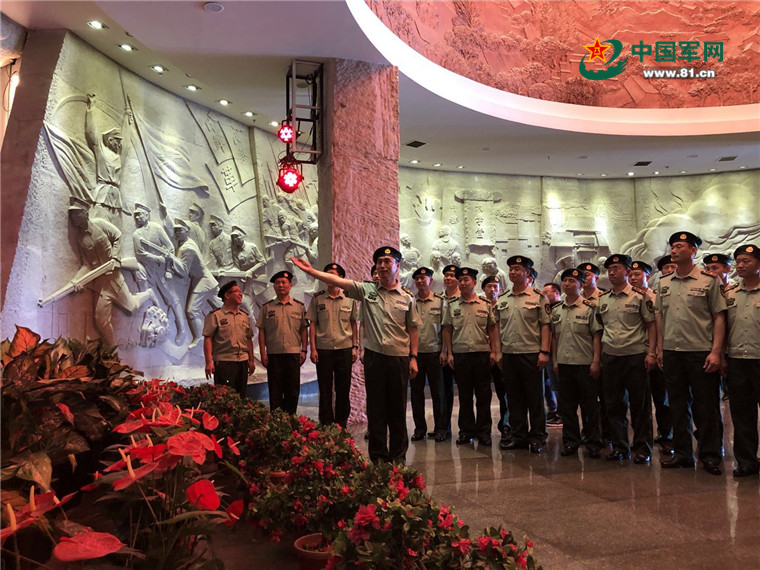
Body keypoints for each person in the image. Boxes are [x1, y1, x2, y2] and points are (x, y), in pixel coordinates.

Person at [291, 247, 420, 464]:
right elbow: (339, 281)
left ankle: (398, 458)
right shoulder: (367, 290)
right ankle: (378, 458)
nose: (382, 265)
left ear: (397, 266)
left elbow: (413, 328)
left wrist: (413, 357)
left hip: (398, 358)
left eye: (387, 261)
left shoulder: (407, 297)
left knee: (397, 409)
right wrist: (311, 272)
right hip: (375, 358)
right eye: (379, 262)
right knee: (376, 409)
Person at [656, 232, 726, 475]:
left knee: (706, 406)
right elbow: (660, 317)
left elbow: (719, 316)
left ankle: (710, 455)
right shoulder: (664, 282)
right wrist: (660, 349)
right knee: (676, 405)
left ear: (693, 251)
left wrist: (716, 352)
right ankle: (682, 453)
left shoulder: (709, 280)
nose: (674, 251)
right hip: (672, 352)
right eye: (672, 246)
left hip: (700, 351)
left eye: (679, 246)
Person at [68, 201, 156, 346]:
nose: (72, 218)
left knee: (132, 307)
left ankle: (148, 294)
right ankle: (113, 352)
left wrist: (115, 257)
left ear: (85, 213)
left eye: (75, 214)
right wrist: (77, 281)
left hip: (114, 278)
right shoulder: (80, 239)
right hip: (100, 285)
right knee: (101, 321)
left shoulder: (99, 224)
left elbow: (117, 235)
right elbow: (87, 265)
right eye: (71, 215)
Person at [596, 254, 656, 464]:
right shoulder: (603, 299)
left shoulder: (639, 297)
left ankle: (642, 447)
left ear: (628, 272)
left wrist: (651, 352)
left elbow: (651, 325)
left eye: (617, 269)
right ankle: (620, 446)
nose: (612, 273)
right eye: (610, 269)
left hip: (635, 356)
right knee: (613, 405)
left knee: (640, 405)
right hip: (611, 356)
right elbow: (601, 329)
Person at [497, 256, 552, 454]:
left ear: (527, 273)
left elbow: (546, 326)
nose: (512, 272)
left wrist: (544, 351)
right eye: (511, 269)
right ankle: (519, 436)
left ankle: (537, 436)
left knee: (534, 398)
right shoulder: (503, 298)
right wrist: (498, 352)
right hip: (509, 354)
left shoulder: (539, 297)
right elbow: (497, 327)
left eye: (517, 269)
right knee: (514, 398)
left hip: (531, 354)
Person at [441, 267, 499, 446]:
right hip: (461, 355)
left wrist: (494, 351)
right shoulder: (452, 305)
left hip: (482, 354)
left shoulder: (485, 304)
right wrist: (449, 353)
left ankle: (484, 432)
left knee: (484, 395)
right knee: (464, 396)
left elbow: (492, 328)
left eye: (466, 280)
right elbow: (447, 329)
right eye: (460, 280)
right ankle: (466, 431)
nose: (463, 283)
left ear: (474, 282)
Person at [551, 268, 602, 458]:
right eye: (565, 280)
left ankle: (593, 442)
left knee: (590, 406)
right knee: (567, 407)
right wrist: (555, 361)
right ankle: (571, 441)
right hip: (564, 363)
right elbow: (555, 338)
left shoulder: (589, 308)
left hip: (585, 363)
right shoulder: (557, 309)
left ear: (581, 284)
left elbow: (596, 336)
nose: (567, 284)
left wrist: (596, 361)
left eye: (572, 281)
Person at [722, 244, 760, 477]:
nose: (741, 265)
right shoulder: (730, 294)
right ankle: (746, 461)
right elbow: (723, 328)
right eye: (738, 261)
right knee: (742, 413)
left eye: (746, 261)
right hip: (737, 360)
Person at [306, 263, 359, 428]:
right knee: (325, 388)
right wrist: (313, 349)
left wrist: (355, 347)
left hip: (344, 349)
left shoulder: (350, 299)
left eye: (333, 274)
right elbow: (313, 324)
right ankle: (326, 423)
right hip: (324, 349)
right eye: (327, 274)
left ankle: (341, 423)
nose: (329, 277)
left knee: (343, 388)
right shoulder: (318, 298)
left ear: (341, 278)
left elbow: (354, 323)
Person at [631, 260, 673, 454]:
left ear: (647, 276)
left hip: (655, 353)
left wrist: (656, 351)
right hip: (635, 354)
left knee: (661, 398)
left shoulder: (656, 296)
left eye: (637, 274)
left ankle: (667, 436)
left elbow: (659, 326)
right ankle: (641, 438)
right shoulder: (628, 298)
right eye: (631, 274)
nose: (633, 278)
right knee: (639, 400)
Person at [132, 202, 189, 344]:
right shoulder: (137, 234)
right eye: (135, 215)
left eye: (140, 214)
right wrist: (158, 259)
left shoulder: (156, 228)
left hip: (162, 271)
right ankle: (153, 328)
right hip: (149, 271)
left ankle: (182, 330)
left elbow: (170, 248)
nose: (137, 217)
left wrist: (168, 268)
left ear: (147, 215)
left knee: (173, 300)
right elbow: (141, 254)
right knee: (151, 298)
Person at [256, 270, 308, 414]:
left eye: (284, 282)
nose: (281, 285)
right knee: (275, 390)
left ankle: (290, 419)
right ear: (274, 287)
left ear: (290, 285)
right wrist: (263, 353)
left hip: (293, 354)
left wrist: (304, 350)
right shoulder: (267, 307)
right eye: (277, 283)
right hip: (274, 354)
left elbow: (304, 330)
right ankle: (277, 420)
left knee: (292, 390)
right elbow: (262, 331)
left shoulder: (299, 307)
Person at [410, 267, 445, 441]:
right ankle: (419, 429)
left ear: (430, 281)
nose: (420, 281)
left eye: (423, 278)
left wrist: (445, 350)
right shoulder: (410, 301)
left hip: (434, 353)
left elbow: (446, 328)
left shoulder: (440, 301)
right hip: (415, 355)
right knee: (416, 393)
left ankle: (440, 428)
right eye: (417, 278)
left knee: (438, 393)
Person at [172, 219, 219, 348]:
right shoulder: (184, 243)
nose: (177, 233)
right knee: (221, 308)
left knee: (192, 311)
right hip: (201, 280)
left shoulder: (188, 248)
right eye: (175, 230)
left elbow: (183, 271)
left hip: (203, 282)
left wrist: (171, 259)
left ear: (187, 231)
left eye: (180, 230)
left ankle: (200, 338)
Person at [202, 280, 255, 397]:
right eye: (237, 292)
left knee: (241, 396)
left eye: (240, 292)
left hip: (242, 361)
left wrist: (251, 360)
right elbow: (208, 338)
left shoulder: (244, 316)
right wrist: (208, 362)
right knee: (225, 398)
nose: (240, 294)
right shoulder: (216, 315)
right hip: (224, 362)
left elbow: (248, 339)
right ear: (227, 295)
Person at [483, 275, 510, 438]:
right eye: (489, 286)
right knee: (483, 393)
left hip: (501, 355)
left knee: (504, 392)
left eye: (495, 287)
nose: (492, 290)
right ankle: (483, 428)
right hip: (483, 355)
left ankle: (506, 425)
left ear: (500, 290)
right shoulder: (479, 305)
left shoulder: (504, 305)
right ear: (483, 289)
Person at [438, 263, 460, 441]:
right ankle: (444, 427)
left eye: (452, 275)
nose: (449, 278)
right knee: (444, 391)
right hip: (442, 350)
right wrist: (444, 350)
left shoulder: (464, 298)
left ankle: (470, 429)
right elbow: (443, 327)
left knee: (467, 392)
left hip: (462, 350)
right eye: (446, 275)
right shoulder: (438, 299)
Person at [542, 282, 563, 427]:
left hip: (557, 352)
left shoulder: (561, 308)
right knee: (548, 384)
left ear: (556, 293)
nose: (543, 295)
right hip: (546, 351)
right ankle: (553, 409)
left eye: (546, 292)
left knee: (558, 385)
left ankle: (561, 414)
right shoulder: (547, 309)